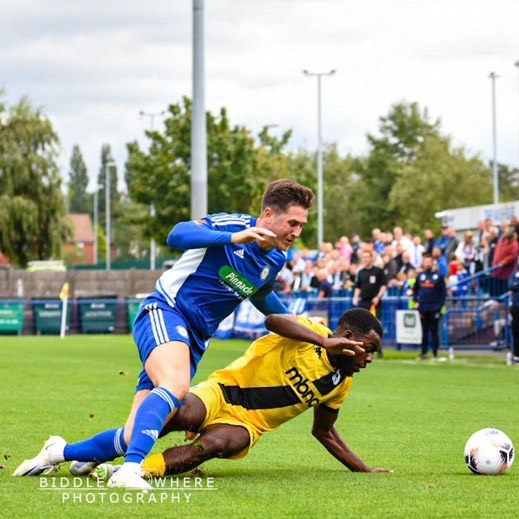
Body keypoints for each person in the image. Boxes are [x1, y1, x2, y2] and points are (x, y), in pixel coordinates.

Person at [13, 179, 316, 489]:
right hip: (167, 311)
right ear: (268, 215)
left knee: (134, 434)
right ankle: (130, 471)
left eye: (302, 225)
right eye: (293, 222)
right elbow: (177, 234)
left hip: (194, 341)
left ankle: (58, 452)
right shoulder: (233, 224)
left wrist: (306, 329)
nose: (297, 232)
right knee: (175, 384)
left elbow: (263, 297)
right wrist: (233, 237)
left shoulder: (275, 259)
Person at [91, 309, 390, 478]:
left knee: (215, 443)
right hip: (222, 391)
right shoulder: (311, 332)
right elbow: (273, 320)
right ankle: (93, 454)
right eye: (369, 349)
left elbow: (324, 431)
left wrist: (364, 469)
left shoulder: (341, 384)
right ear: (348, 337)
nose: (369, 359)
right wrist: (322, 341)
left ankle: (137, 471)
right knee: (180, 413)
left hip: (247, 425)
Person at [413, 254, 447, 360]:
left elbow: (443, 292)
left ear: (432, 263)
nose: (427, 263)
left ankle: (435, 353)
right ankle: (423, 353)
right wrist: (416, 301)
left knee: (434, 331)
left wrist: (440, 306)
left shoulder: (439, 276)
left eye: (429, 261)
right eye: (425, 261)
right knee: (424, 331)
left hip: (434, 307)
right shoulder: (420, 276)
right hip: (423, 307)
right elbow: (415, 290)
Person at [353, 250, 387, 320]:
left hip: (374, 301)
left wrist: (378, 297)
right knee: (363, 322)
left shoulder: (378, 271)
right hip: (363, 302)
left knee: (375, 322)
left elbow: (383, 285)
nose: (365, 259)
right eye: (364, 257)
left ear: (371, 258)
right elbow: (358, 286)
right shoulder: (360, 272)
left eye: (367, 257)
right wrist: (355, 297)